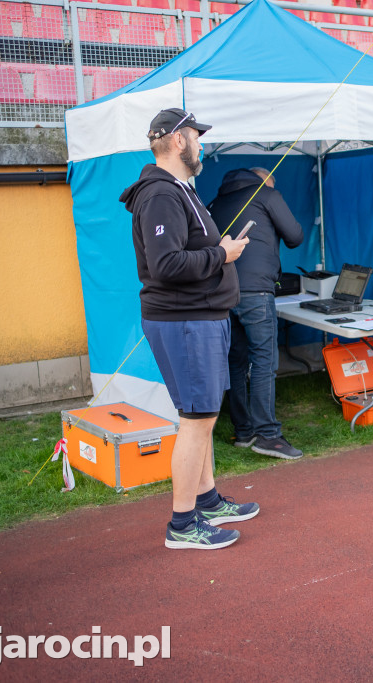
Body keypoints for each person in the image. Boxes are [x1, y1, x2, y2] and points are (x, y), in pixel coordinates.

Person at [121, 108, 258, 550]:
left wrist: (217, 250)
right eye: (197, 137)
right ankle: (183, 524)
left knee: (201, 416)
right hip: (185, 320)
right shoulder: (161, 194)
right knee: (197, 420)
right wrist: (222, 256)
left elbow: (183, 252)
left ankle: (208, 499)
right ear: (178, 140)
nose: (201, 144)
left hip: (199, 317)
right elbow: (166, 265)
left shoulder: (177, 190)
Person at [209, 167, 305, 459]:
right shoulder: (267, 194)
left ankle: (244, 431)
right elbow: (296, 236)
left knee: (235, 362)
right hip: (256, 292)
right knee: (264, 361)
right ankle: (268, 435)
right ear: (266, 181)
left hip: (224, 291)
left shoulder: (216, 201)